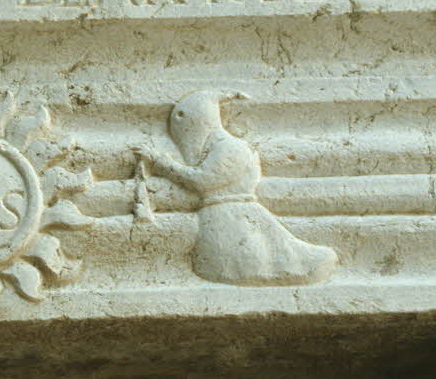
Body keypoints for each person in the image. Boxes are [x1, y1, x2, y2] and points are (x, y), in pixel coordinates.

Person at [134, 91, 337, 286]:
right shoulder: (215, 147)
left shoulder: (231, 147)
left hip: (236, 216)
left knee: (256, 261)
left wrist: (161, 162)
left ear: (198, 121)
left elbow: (203, 180)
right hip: (217, 217)